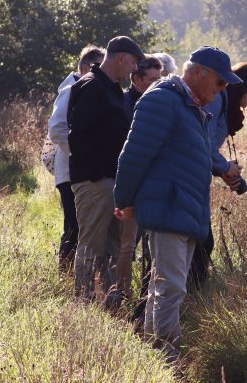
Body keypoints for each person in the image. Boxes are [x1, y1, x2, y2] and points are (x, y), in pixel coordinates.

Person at [114, 46, 242, 362]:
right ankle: (168, 361)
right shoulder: (162, 100)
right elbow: (134, 156)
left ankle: (151, 359)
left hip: (183, 212)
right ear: (197, 72)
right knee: (170, 290)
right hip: (167, 210)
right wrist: (125, 201)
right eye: (220, 82)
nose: (223, 90)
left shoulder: (190, 105)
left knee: (166, 290)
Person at [67, 35, 144, 303]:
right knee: (91, 245)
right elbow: (78, 137)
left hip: (113, 182)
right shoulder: (90, 87)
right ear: (121, 57)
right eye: (133, 63)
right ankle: (84, 304)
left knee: (112, 246)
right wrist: (99, 176)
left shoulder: (112, 89)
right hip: (94, 181)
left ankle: (111, 301)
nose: (134, 70)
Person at [187, 62, 247, 291]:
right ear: (245, 88)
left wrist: (223, 169)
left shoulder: (225, 103)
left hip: (197, 175)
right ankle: (190, 297)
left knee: (199, 242)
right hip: (190, 178)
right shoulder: (219, 100)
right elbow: (203, 142)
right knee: (202, 242)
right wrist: (223, 166)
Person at [47, 45, 105, 273]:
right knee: (73, 225)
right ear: (84, 67)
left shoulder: (92, 88)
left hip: (82, 170)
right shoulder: (70, 89)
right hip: (71, 171)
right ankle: (65, 272)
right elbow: (57, 129)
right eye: (97, 66)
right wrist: (81, 155)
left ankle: (78, 272)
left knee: (84, 225)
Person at [119, 55, 162, 300]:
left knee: (153, 245)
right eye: (152, 79)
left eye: (160, 78)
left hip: (154, 183)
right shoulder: (126, 104)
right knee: (127, 243)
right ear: (136, 79)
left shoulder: (161, 104)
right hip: (133, 183)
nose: (157, 83)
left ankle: (150, 294)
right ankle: (123, 293)